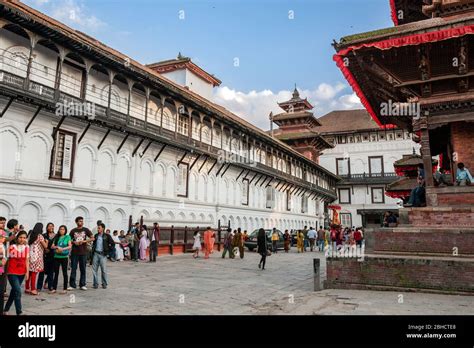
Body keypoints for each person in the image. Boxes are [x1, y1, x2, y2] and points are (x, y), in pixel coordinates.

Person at [4, 230, 29, 315]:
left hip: (22, 273)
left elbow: (27, 260)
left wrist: (27, 272)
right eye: (21, 237)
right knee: (18, 291)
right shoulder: (11, 247)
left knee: (14, 292)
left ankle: (5, 309)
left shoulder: (27, 247)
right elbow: (5, 258)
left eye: (24, 238)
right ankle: (19, 312)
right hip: (12, 272)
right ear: (17, 238)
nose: (22, 239)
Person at [69, 216, 93, 291]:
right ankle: (72, 285)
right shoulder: (73, 230)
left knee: (83, 269)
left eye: (82, 221)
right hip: (75, 252)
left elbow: (92, 238)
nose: (81, 222)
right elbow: (69, 240)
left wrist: (84, 241)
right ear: (76, 222)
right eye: (79, 221)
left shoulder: (86, 230)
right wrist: (74, 242)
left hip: (83, 252)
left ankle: (82, 284)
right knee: (73, 268)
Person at [25, 223, 48, 295]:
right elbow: (45, 246)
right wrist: (46, 242)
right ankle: (33, 289)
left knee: (29, 272)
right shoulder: (40, 236)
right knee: (34, 273)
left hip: (30, 255)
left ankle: (27, 288)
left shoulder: (30, 235)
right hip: (37, 256)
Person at [91, 223, 114, 289]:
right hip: (96, 254)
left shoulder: (107, 236)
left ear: (103, 228)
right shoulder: (96, 236)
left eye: (99, 228)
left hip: (103, 255)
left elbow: (112, 244)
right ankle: (95, 283)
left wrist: (108, 252)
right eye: (98, 228)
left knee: (103, 270)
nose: (98, 229)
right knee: (94, 270)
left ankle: (104, 283)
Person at [51, 225, 72, 294]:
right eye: (60, 229)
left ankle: (65, 288)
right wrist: (57, 247)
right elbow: (52, 246)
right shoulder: (57, 237)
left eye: (63, 229)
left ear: (65, 230)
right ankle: (54, 288)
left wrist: (62, 249)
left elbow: (70, 246)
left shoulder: (67, 237)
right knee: (56, 273)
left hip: (64, 257)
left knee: (64, 273)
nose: (61, 230)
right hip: (56, 257)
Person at [37, 223, 55, 292]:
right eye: (49, 226)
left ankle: (50, 286)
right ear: (47, 227)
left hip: (53, 255)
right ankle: (39, 287)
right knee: (41, 272)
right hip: (44, 255)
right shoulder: (43, 235)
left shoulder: (56, 236)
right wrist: (45, 249)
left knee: (51, 272)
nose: (51, 227)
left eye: (52, 226)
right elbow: (40, 244)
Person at [0, 230, 7, 315]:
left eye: (3, 237)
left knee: (1, 292)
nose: (3, 239)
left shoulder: (3, 246)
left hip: (1, 271)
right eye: (1, 237)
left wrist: (5, 259)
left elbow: (4, 256)